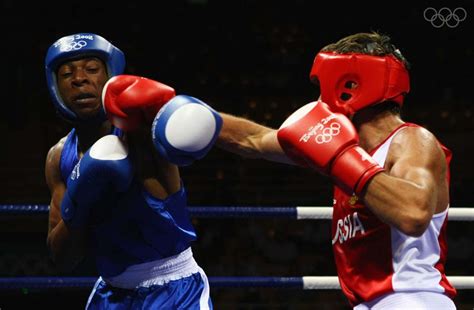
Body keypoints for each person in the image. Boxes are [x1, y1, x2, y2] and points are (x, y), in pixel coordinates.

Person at [216, 32, 457, 309]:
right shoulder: (339, 141)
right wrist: (178, 112)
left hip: (412, 299)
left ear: (349, 86)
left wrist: (344, 160)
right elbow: (254, 140)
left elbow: (413, 215)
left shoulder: (411, 141)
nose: (319, 99)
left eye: (323, 86)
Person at [44, 32, 221, 309]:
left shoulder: (144, 137)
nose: (79, 78)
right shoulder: (58, 157)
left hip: (174, 290)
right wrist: (80, 199)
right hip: (111, 294)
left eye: (91, 69)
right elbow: (61, 257)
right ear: (55, 86)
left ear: (110, 76)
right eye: (67, 73)